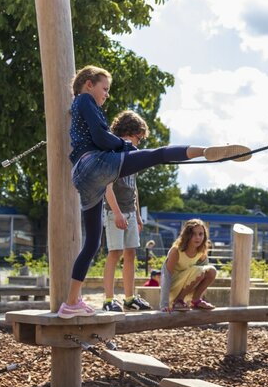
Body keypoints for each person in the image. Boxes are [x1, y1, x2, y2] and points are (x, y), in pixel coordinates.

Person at [59, 65, 250, 319]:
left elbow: (97, 138)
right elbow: (101, 138)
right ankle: (205, 151)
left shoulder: (80, 108)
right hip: (94, 164)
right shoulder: (84, 100)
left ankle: (71, 303)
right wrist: (126, 145)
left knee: (92, 242)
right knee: (159, 154)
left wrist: (124, 149)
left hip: (84, 177)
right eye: (104, 89)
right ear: (88, 84)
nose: (106, 95)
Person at [101, 110, 152, 312]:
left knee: (131, 253)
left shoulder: (132, 156)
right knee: (115, 253)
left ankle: (130, 297)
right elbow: (107, 187)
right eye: (137, 138)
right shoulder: (113, 155)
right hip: (115, 212)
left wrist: (137, 215)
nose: (138, 143)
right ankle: (108, 299)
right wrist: (118, 213)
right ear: (127, 133)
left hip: (130, 212)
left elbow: (134, 188)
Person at [159, 219, 217, 312]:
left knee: (211, 271)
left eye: (200, 234)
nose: (197, 237)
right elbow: (166, 276)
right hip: (173, 287)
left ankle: (196, 301)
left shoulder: (201, 252)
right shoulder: (176, 251)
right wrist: (164, 304)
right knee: (199, 271)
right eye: (193, 234)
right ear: (187, 235)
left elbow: (204, 275)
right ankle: (178, 301)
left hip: (187, 285)